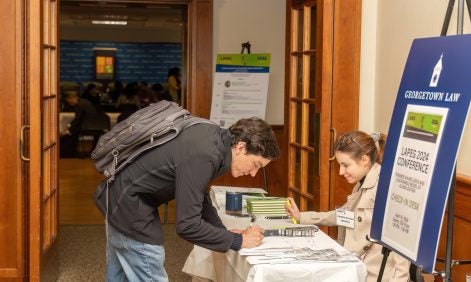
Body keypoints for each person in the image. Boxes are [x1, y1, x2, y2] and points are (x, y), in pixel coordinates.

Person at [93, 117, 280, 281]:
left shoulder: (215, 139)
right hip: (128, 207)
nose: (254, 174)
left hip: (118, 197)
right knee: (149, 264)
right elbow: (187, 226)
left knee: (119, 276)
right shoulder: (204, 155)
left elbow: (198, 194)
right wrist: (238, 241)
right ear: (241, 147)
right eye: (256, 164)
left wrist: (224, 232)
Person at [286, 130, 410, 282]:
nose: (340, 171)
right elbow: (345, 216)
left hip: (375, 275)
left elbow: (401, 242)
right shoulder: (361, 183)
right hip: (356, 268)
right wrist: (302, 217)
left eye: (345, 165)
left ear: (364, 160)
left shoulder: (385, 188)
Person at [59, 91, 98, 158]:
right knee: (72, 131)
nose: (69, 103)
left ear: (72, 98)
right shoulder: (84, 102)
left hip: (87, 126)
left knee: (70, 134)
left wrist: (68, 130)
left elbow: (77, 119)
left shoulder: (80, 105)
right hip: (92, 124)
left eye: (69, 101)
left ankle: (67, 154)